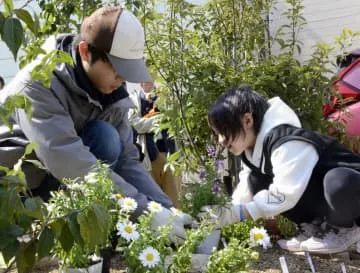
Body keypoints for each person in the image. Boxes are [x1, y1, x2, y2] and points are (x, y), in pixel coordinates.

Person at [0, 6, 191, 243]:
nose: (123, 80)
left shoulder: (113, 97)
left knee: (107, 139)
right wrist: (145, 212)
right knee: (102, 141)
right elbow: (69, 161)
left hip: (60, 177)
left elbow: (126, 161)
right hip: (15, 186)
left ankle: (90, 244)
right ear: (84, 52)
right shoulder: (38, 84)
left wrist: (167, 211)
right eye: (118, 69)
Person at [200, 86, 360, 254]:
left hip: (353, 191)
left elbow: (286, 193)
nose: (221, 141)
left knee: (339, 181)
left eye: (224, 131)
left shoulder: (286, 140)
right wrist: (226, 211)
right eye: (217, 133)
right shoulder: (251, 150)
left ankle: (346, 229)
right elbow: (245, 191)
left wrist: (242, 213)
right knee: (257, 180)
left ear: (248, 120)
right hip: (330, 200)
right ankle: (316, 227)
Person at [127, 79, 181, 207]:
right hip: (148, 156)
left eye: (150, 80)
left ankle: (177, 223)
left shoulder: (165, 98)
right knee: (153, 198)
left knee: (174, 196)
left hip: (169, 154)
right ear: (140, 83)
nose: (148, 83)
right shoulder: (134, 100)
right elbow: (135, 124)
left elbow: (174, 119)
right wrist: (158, 120)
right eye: (145, 80)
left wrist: (149, 120)